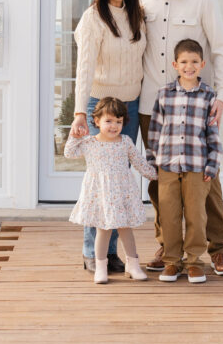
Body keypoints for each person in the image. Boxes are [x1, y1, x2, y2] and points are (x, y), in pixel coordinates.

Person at [139, 0, 223, 276]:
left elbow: (221, 48)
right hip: (153, 103)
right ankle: (169, 246)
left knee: (206, 181)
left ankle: (219, 248)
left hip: (196, 104)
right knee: (159, 182)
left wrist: (222, 96)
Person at [67, 0, 146, 273]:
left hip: (131, 107)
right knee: (100, 181)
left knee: (120, 180)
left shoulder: (137, 15)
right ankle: (95, 253)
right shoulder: (93, 18)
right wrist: (79, 113)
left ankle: (111, 252)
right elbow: (84, 68)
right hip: (100, 106)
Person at [145, 39, 222, 284]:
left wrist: (212, 164)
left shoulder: (209, 95)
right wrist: (152, 160)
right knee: (169, 215)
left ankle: (194, 262)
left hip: (197, 166)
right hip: (167, 165)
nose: (189, 67)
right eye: (184, 62)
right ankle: (171, 261)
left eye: (194, 62)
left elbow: (213, 134)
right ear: (175, 64)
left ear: (202, 64)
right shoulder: (164, 94)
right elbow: (155, 130)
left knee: (196, 216)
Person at [65, 97, 158, 284]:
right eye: (108, 121)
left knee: (126, 229)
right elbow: (69, 153)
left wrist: (155, 175)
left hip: (123, 192)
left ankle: (133, 265)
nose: (114, 126)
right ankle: (101, 267)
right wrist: (74, 136)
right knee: (103, 229)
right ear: (97, 121)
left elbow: (139, 162)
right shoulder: (90, 143)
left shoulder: (125, 142)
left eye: (118, 121)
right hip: (101, 194)